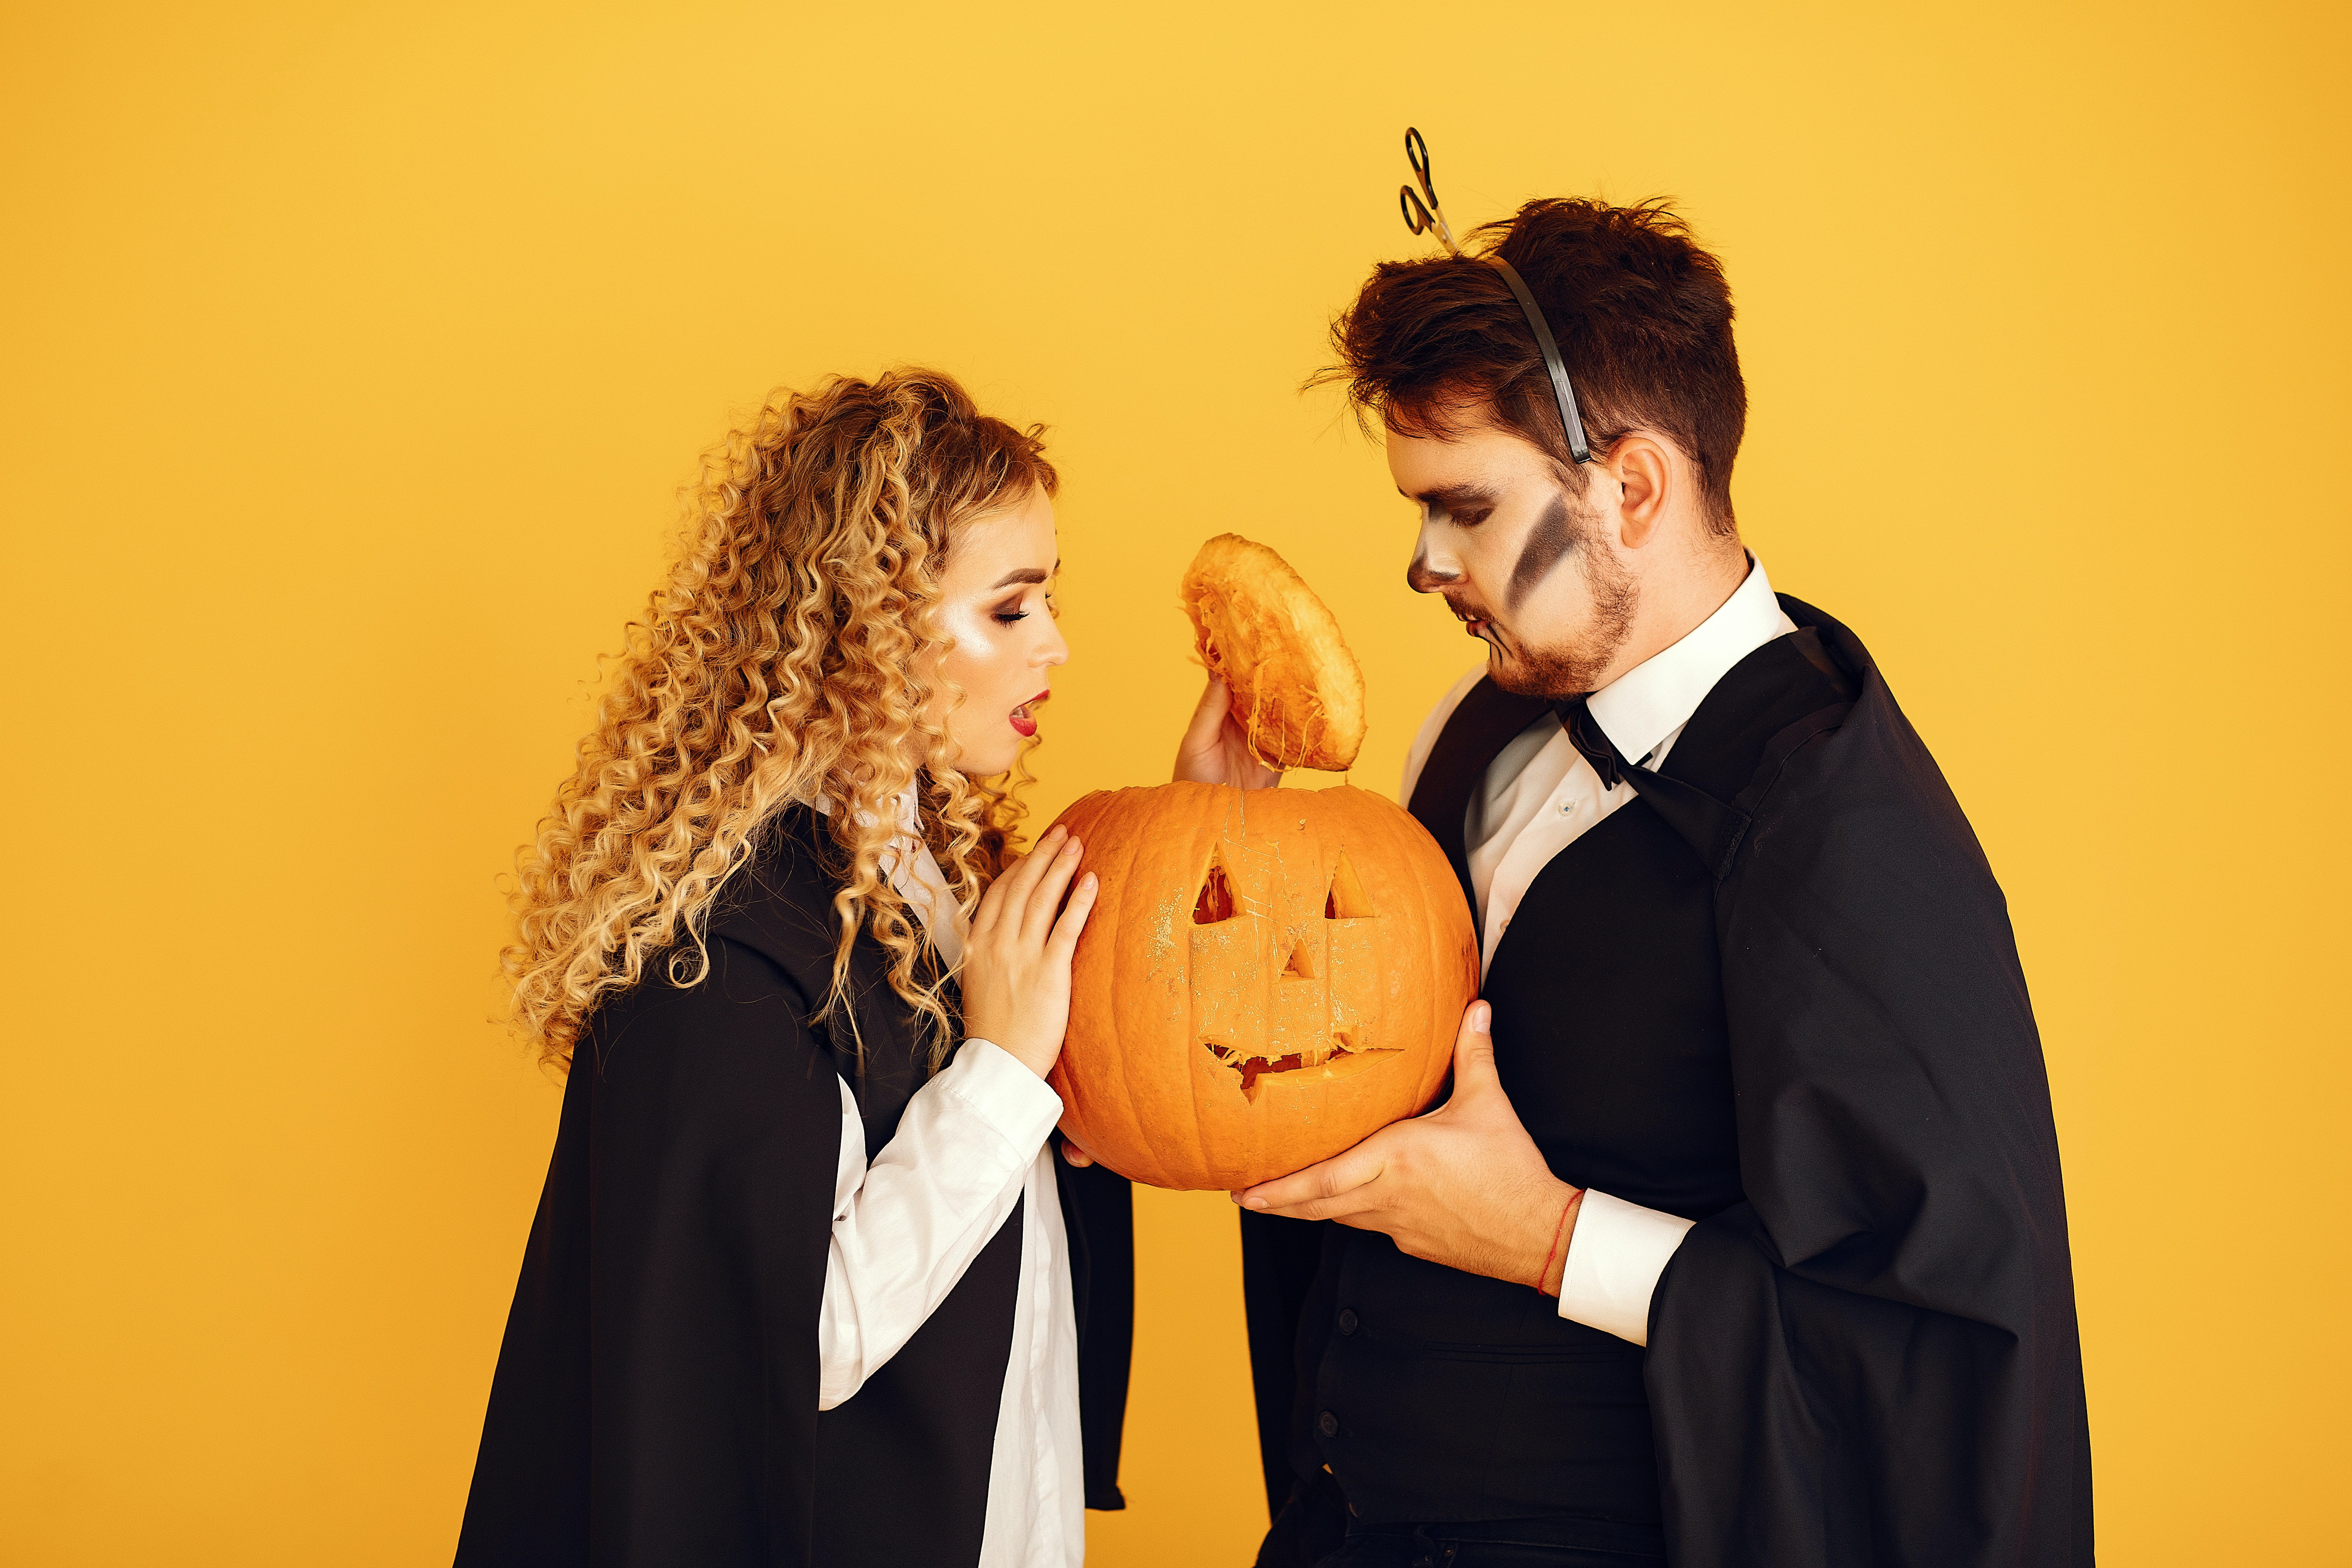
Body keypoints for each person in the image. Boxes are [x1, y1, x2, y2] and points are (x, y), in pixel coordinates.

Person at [1217, 199, 2092, 1566]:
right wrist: (1221, 850)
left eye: (1467, 508)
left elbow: (1934, 1348)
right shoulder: (1476, 722)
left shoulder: (1842, 834)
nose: (1424, 565)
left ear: (1630, 488)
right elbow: (1355, 1059)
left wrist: (1553, 1237)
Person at [453, 368, 1134, 1568]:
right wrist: (999, 1076)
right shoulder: (719, 950)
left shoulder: (941, 880)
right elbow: (785, 1341)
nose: (1059, 647)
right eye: (1013, 609)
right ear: (871, 626)